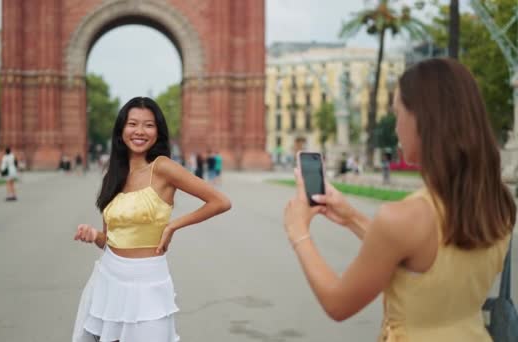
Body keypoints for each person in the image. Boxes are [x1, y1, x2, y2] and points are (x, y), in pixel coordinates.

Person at [283, 58, 516, 341]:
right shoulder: (499, 203)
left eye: (398, 114)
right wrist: (351, 217)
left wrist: (299, 233)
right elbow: (429, 259)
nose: (396, 129)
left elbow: (337, 303)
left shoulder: (405, 217)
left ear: (422, 118)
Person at [72, 97, 231, 342]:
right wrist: (94, 235)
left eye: (148, 125)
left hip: (149, 284)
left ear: (158, 132)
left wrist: (173, 226)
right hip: (109, 281)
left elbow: (220, 201)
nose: (139, 131)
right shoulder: (113, 175)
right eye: (132, 124)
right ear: (121, 130)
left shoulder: (163, 167)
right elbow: (110, 241)